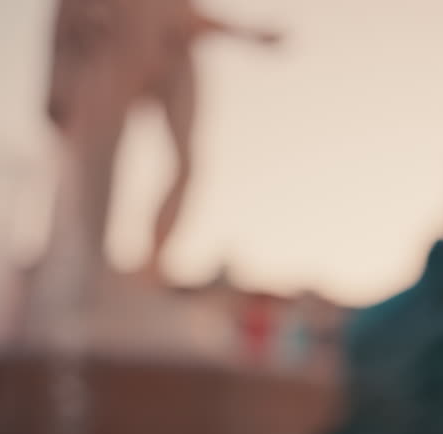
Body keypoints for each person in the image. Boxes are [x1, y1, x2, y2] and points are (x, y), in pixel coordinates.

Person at [46, 0, 281, 287]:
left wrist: (248, 34)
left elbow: (191, 18)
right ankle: (90, 258)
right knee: (99, 158)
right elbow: (66, 19)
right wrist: (57, 82)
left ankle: (154, 261)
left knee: (186, 164)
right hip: (119, 47)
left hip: (173, 53)